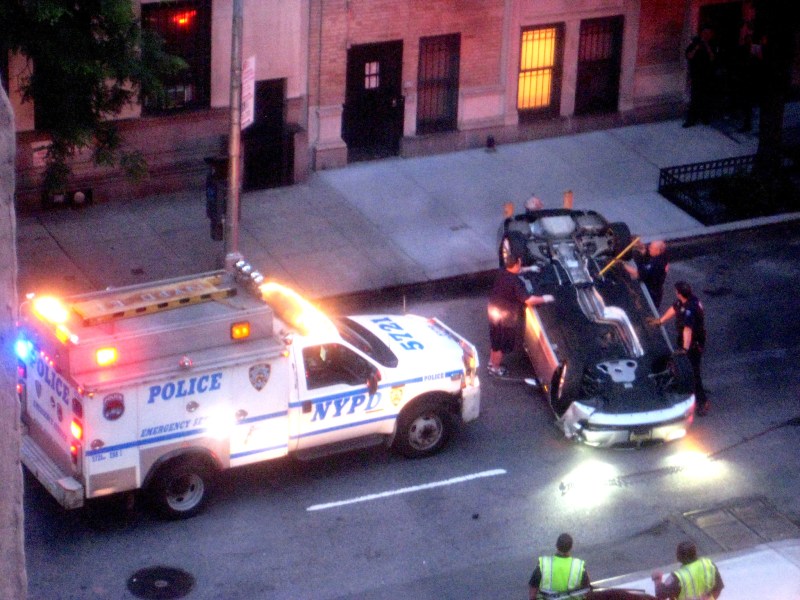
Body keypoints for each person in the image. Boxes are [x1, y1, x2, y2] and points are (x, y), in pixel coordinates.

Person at [487, 251, 553, 377]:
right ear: (517, 263)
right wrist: (545, 298)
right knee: (501, 344)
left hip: (493, 311)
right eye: (520, 263)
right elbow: (529, 300)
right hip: (505, 318)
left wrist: (530, 268)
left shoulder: (503, 271)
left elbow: (517, 270)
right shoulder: (515, 283)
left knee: (495, 340)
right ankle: (494, 368)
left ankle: (491, 362)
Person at [650, 281, 709, 415]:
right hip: (686, 340)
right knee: (682, 367)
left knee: (693, 372)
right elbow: (674, 308)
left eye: (676, 291)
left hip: (693, 344)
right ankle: (684, 386)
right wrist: (660, 321)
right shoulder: (688, 301)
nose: (675, 292)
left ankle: (702, 401)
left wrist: (685, 349)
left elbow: (688, 330)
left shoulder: (689, 310)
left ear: (679, 293)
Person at [651, 540, 724, 599]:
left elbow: (660, 594)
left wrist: (657, 579)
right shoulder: (708, 565)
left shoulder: (678, 577)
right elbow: (718, 587)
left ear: (678, 557)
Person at [529, 533, 590, 600]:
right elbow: (587, 592)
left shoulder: (544, 565)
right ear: (571, 547)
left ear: (556, 545)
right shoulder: (579, 567)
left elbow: (532, 595)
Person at [683, 26, 716, 127]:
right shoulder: (694, 44)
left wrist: (707, 46)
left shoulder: (712, 45)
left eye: (709, 34)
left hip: (707, 76)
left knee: (706, 98)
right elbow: (689, 56)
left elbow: (712, 58)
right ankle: (691, 120)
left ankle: (705, 117)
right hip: (696, 75)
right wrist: (696, 48)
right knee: (694, 98)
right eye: (705, 33)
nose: (706, 36)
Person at [627, 240, 670, 309]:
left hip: (650, 293)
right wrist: (641, 246)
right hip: (655, 289)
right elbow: (648, 252)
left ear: (658, 251)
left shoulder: (656, 264)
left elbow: (638, 274)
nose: (649, 248)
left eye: (651, 248)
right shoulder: (662, 254)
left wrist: (622, 265)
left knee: (646, 310)